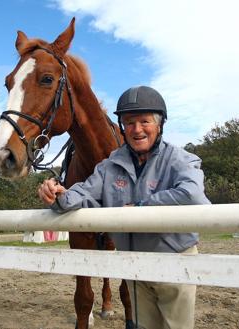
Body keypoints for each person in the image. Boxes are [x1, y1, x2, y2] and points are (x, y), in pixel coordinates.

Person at [38, 86, 210, 329]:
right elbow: (85, 193)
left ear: (159, 125)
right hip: (134, 267)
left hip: (174, 262)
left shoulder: (181, 160)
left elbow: (192, 195)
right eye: (129, 122)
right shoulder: (109, 166)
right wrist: (59, 196)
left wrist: (141, 207)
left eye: (144, 121)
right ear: (121, 126)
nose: (137, 129)